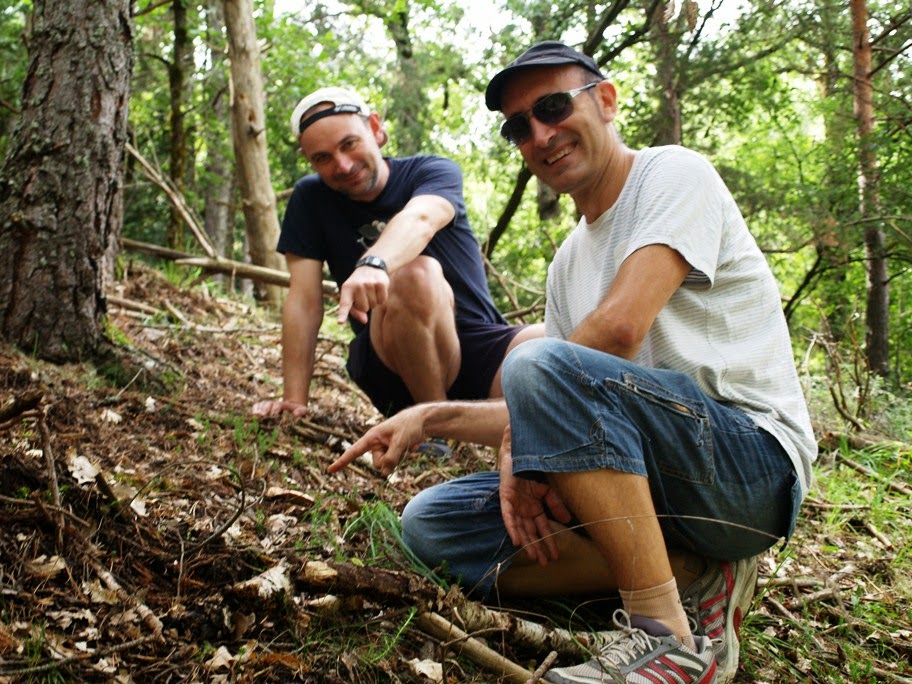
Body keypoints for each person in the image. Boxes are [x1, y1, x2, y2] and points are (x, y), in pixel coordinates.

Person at [329, 42, 817, 684]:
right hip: (647, 481)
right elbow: (564, 406)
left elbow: (614, 331)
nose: (539, 134)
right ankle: (694, 575)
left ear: (607, 100)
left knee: (536, 361)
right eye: (518, 127)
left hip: (747, 471)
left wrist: (523, 438)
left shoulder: (672, 174)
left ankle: (668, 638)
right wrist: (430, 417)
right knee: (433, 525)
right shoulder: (568, 264)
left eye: (553, 106)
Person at [252, 86, 542, 425]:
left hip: (479, 348)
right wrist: (293, 400)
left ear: (376, 128)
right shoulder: (310, 199)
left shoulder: (432, 171)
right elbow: (303, 301)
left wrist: (373, 263)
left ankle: (482, 424)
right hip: (392, 360)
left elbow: (422, 217)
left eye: (349, 144)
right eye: (323, 158)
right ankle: (432, 428)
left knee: (564, 344)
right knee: (413, 276)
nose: (342, 165)